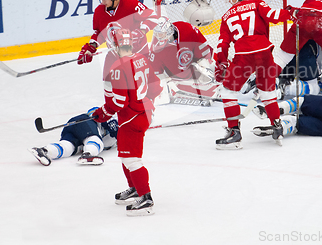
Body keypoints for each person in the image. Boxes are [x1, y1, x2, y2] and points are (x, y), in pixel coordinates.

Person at [214, 0, 294, 149]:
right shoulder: (258, 4)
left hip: (244, 56)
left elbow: (222, 44)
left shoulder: (227, 16)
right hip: (265, 53)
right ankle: (277, 125)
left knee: (228, 91)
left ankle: (234, 131)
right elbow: (274, 15)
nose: (230, 0)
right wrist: (291, 13)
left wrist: (220, 63)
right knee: (267, 90)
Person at [91, 28, 163, 216]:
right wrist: (146, 106)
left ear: (114, 46)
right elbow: (156, 88)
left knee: (131, 159)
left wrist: (103, 113)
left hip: (131, 118)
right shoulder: (142, 59)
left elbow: (119, 101)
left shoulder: (117, 67)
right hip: (143, 113)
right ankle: (135, 188)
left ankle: (146, 198)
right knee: (124, 154)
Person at [77, 0, 159, 86]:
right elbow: (99, 33)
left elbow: (153, 17)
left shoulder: (131, 4)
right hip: (115, 53)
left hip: (137, 52)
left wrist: (141, 31)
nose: (102, 2)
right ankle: (111, 103)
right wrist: (91, 48)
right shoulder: (99, 11)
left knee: (139, 86)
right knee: (108, 83)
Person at [148, 16, 218, 101]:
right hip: (178, 76)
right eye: (157, 34)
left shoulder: (186, 29)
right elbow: (155, 70)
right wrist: (166, 82)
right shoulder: (156, 47)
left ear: (169, 31)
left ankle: (214, 76)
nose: (159, 37)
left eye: (162, 34)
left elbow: (203, 49)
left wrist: (205, 65)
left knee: (211, 62)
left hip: (193, 60)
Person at [28, 109, 118, 166]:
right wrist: (110, 120)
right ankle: (87, 154)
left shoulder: (117, 139)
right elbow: (93, 111)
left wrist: (117, 134)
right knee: (94, 139)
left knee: (68, 147)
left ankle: (44, 151)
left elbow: (104, 145)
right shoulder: (116, 117)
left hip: (78, 133)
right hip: (82, 122)